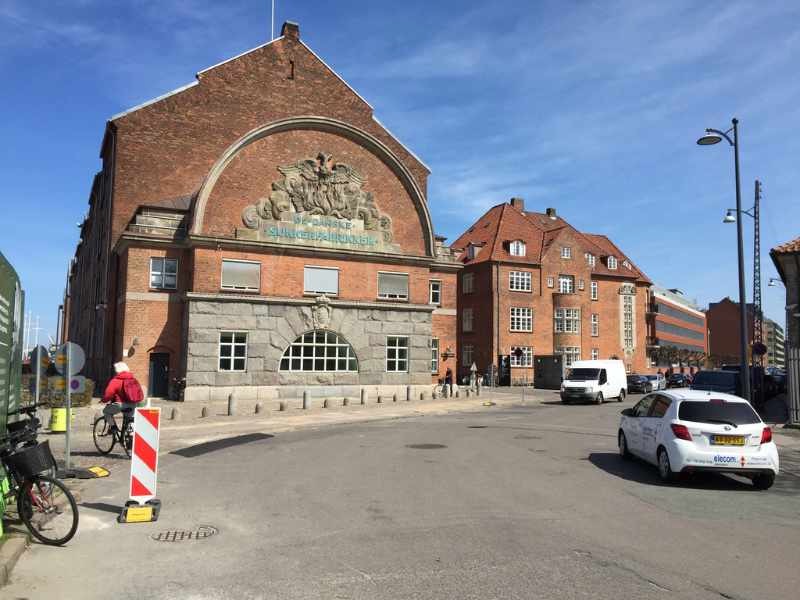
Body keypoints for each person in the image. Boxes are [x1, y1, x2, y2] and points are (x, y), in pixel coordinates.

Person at [101, 362, 144, 427]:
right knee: (128, 421)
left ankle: (113, 427)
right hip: (133, 404)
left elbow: (108, 394)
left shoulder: (115, 381)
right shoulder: (134, 380)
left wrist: (103, 400)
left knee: (106, 412)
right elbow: (139, 392)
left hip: (120, 405)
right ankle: (128, 431)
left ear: (117, 370)